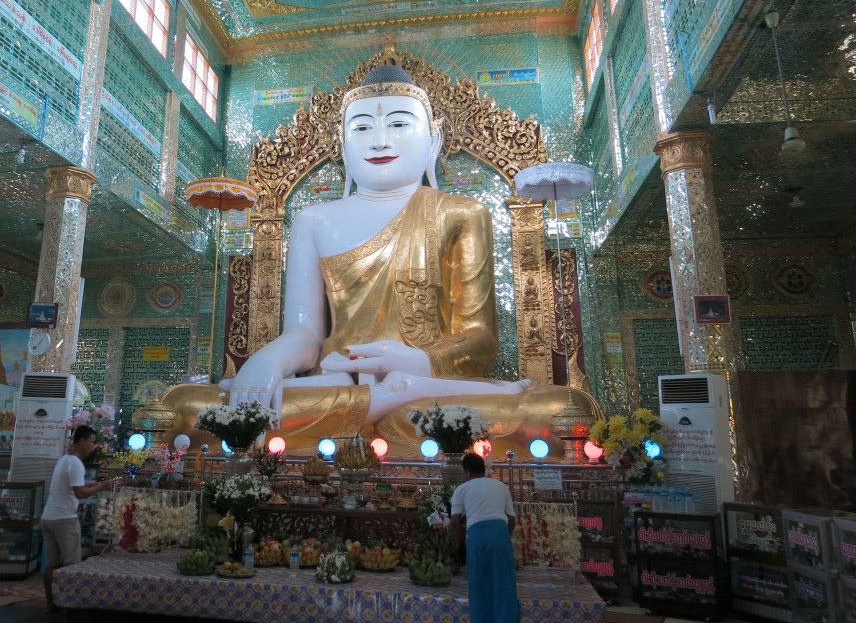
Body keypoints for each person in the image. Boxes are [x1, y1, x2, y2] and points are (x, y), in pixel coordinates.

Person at [161, 65, 600, 455]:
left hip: (430, 389)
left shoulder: (461, 213)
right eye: (363, 128)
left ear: (434, 139)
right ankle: (385, 401)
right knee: (185, 406)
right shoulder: (315, 219)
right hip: (338, 380)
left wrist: (405, 359)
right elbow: (306, 334)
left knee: (562, 410)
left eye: (398, 123)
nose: (380, 139)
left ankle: (394, 397)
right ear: (344, 145)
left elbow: (479, 339)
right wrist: (269, 362)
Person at [41, 426, 122, 613]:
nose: (94, 446)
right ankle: (72, 610)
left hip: (49, 517)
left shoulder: (64, 459)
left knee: (52, 564)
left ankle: (50, 604)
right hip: (64, 520)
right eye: (92, 442)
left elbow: (72, 487)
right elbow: (80, 493)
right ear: (80, 441)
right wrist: (101, 486)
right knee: (72, 565)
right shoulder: (76, 463)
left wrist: (91, 485)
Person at [450, 453, 520, 623]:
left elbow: (455, 521)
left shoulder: (462, 489)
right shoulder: (500, 486)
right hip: (500, 534)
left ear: (466, 472)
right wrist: (504, 537)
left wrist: (460, 543)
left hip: (477, 536)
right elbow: (512, 520)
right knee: (504, 584)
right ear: (484, 468)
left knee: (479, 583)